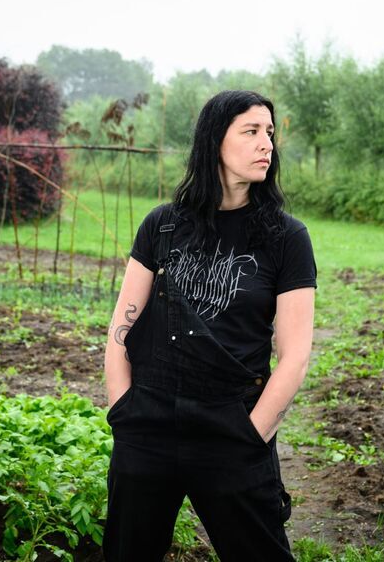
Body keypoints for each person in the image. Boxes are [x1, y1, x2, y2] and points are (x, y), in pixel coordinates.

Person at [102, 90, 316, 561]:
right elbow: (122, 327)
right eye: (252, 131)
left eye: (271, 134)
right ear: (214, 140)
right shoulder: (162, 226)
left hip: (230, 428)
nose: (267, 145)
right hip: (148, 426)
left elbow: (295, 355)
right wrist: (123, 413)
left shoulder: (287, 237)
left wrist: (252, 434)